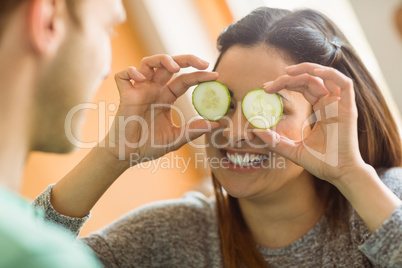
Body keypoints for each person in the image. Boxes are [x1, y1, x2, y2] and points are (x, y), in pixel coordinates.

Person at [33, 6, 402, 268]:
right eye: (223, 102)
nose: (237, 131)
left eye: (269, 109)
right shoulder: (169, 236)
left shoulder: (386, 201)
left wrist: (352, 175)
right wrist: (113, 154)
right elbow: (19, 252)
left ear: (323, 119)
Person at [0, 0, 217, 266]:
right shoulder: (43, 256)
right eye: (108, 29)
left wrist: (115, 154)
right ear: (48, 21)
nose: (106, 70)